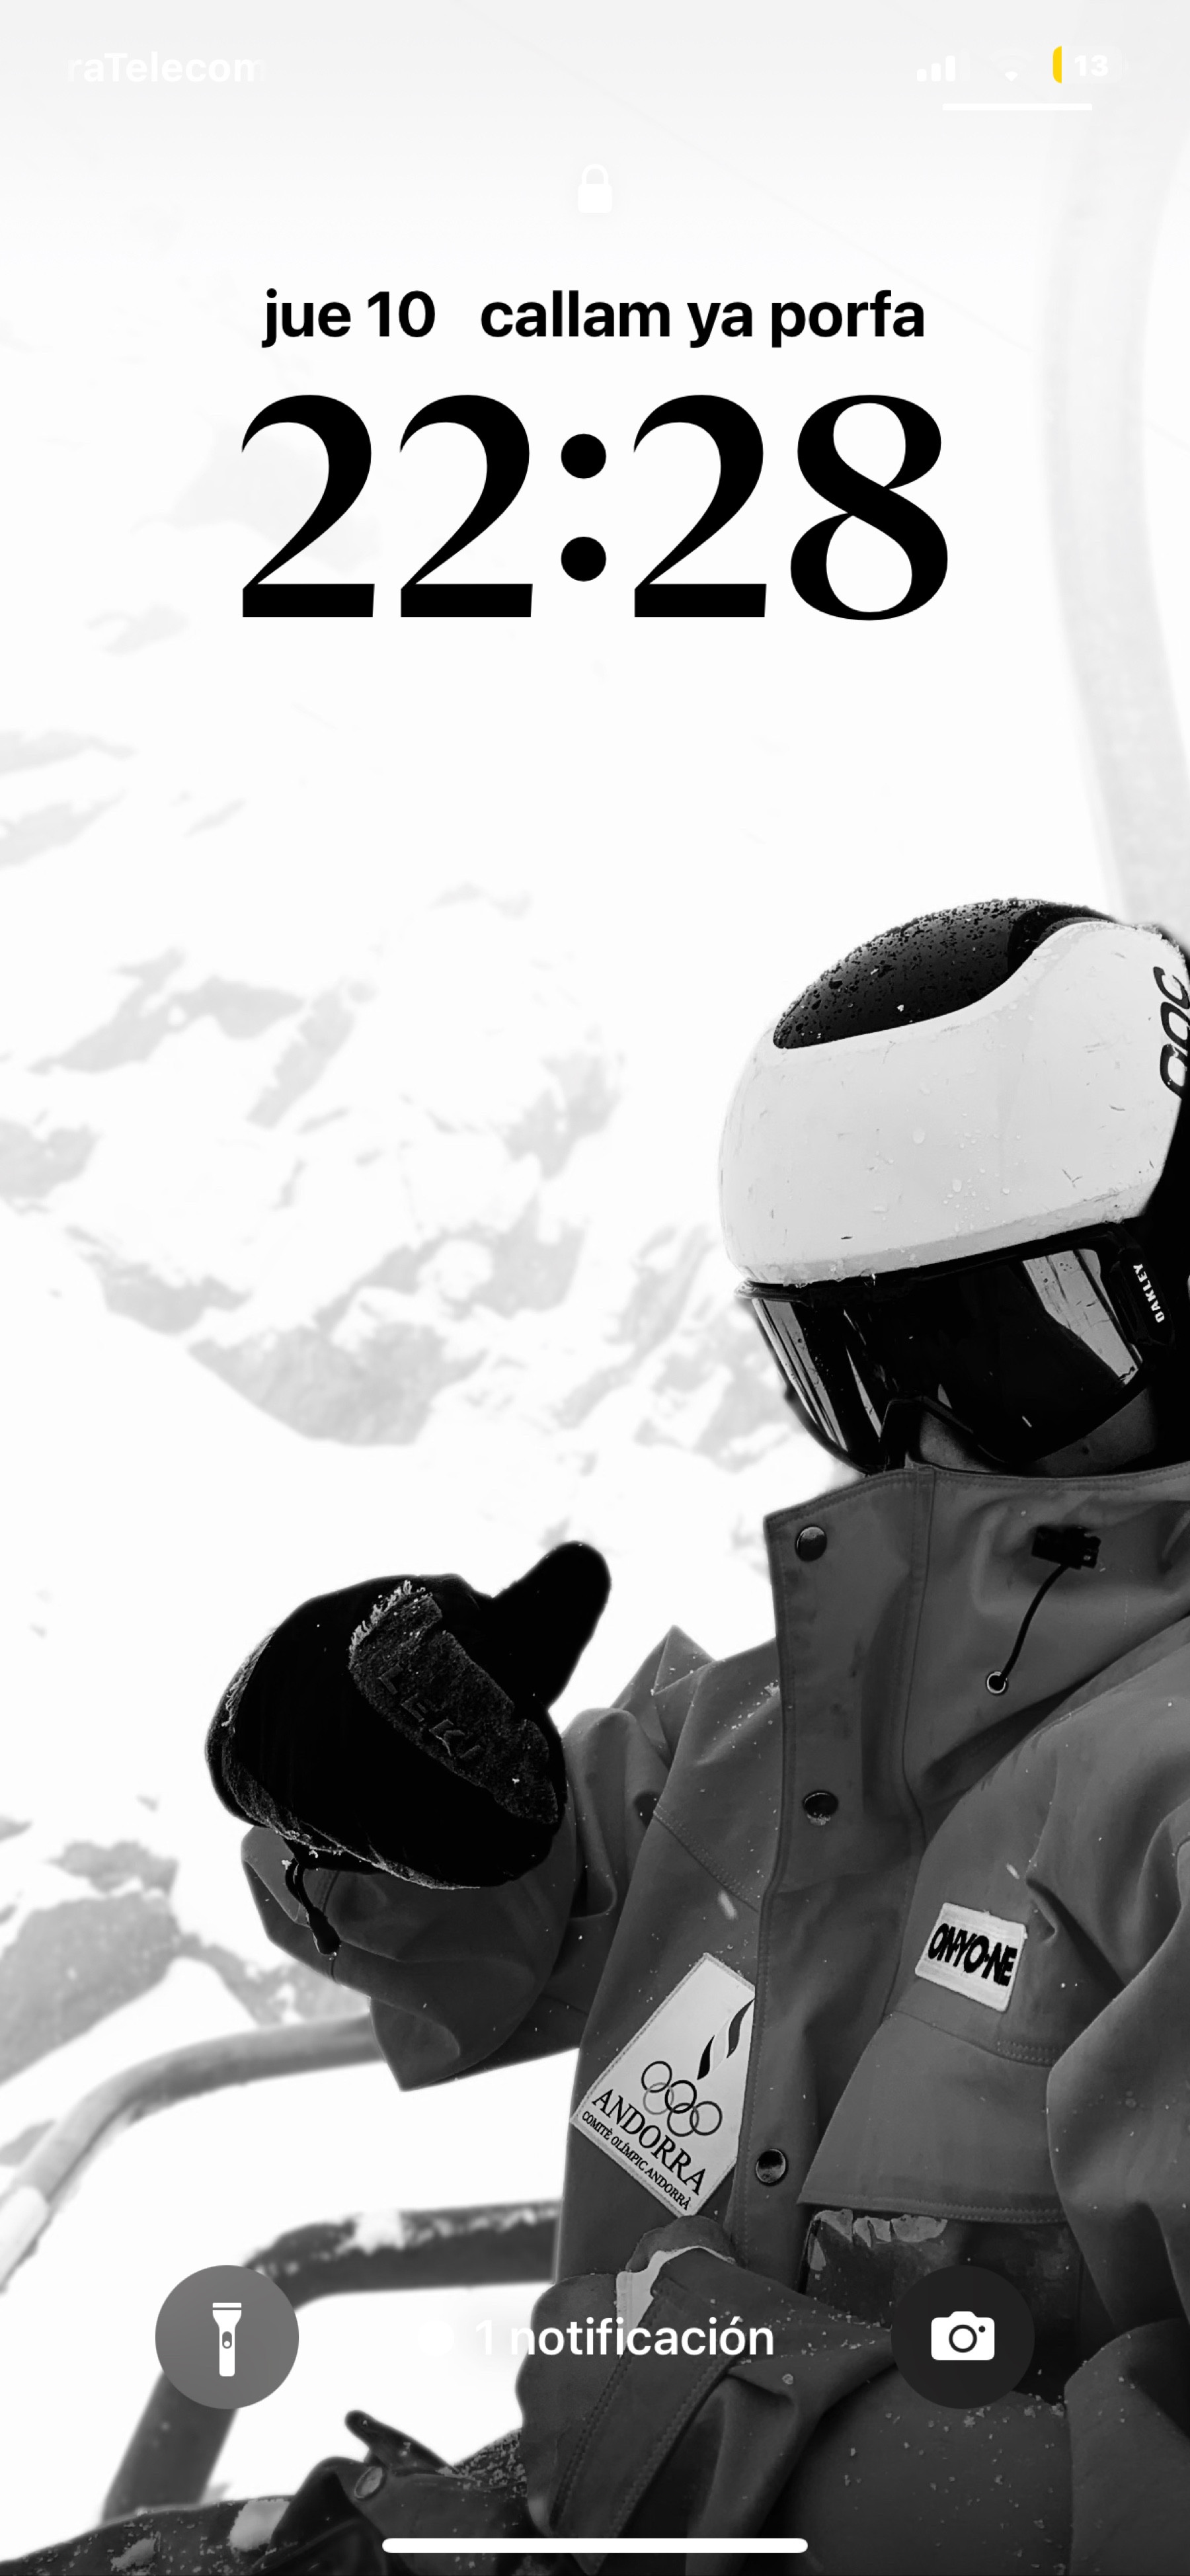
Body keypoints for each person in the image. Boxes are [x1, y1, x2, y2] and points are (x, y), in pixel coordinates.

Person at [206, 896, 1190, 2575]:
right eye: (851, 1368)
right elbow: (535, 1914)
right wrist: (387, 1804)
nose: (928, 1441)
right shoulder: (782, 1723)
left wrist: (733, 2432)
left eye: (1008, 1352)